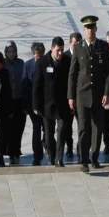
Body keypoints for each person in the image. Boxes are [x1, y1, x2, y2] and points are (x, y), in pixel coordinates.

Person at [68, 15, 109, 173]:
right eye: (87, 28)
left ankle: (94, 157)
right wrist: (71, 96)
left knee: (97, 128)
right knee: (83, 128)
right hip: (82, 95)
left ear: (95, 29)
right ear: (84, 30)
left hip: (98, 94)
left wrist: (107, 93)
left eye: (92, 27)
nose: (89, 30)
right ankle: (83, 160)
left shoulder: (102, 46)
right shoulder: (79, 47)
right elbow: (72, 73)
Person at [33, 37, 72, 167]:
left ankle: (59, 158)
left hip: (62, 104)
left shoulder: (67, 61)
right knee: (48, 133)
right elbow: (36, 85)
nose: (60, 53)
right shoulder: (43, 62)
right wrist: (36, 105)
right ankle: (51, 155)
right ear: (52, 49)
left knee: (62, 131)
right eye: (57, 50)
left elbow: (71, 82)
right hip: (47, 105)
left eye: (62, 50)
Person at [22, 42, 46, 166]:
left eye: (41, 56)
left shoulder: (48, 64)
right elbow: (25, 87)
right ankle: (37, 156)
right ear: (33, 54)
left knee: (48, 130)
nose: (39, 59)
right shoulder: (27, 66)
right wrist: (26, 107)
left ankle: (50, 151)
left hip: (46, 105)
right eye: (37, 57)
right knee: (36, 130)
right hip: (33, 106)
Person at [4, 40, 25, 165]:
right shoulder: (3, 64)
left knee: (19, 128)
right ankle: (11, 153)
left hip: (19, 101)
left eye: (13, 51)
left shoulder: (21, 63)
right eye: (9, 52)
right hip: (8, 102)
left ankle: (17, 150)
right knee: (9, 129)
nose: (11, 54)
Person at [64, 32, 82, 158]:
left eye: (78, 44)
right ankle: (69, 147)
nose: (76, 46)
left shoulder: (83, 54)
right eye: (74, 43)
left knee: (82, 124)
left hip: (80, 96)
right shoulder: (64, 56)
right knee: (67, 125)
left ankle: (80, 148)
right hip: (68, 96)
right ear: (70, 43)